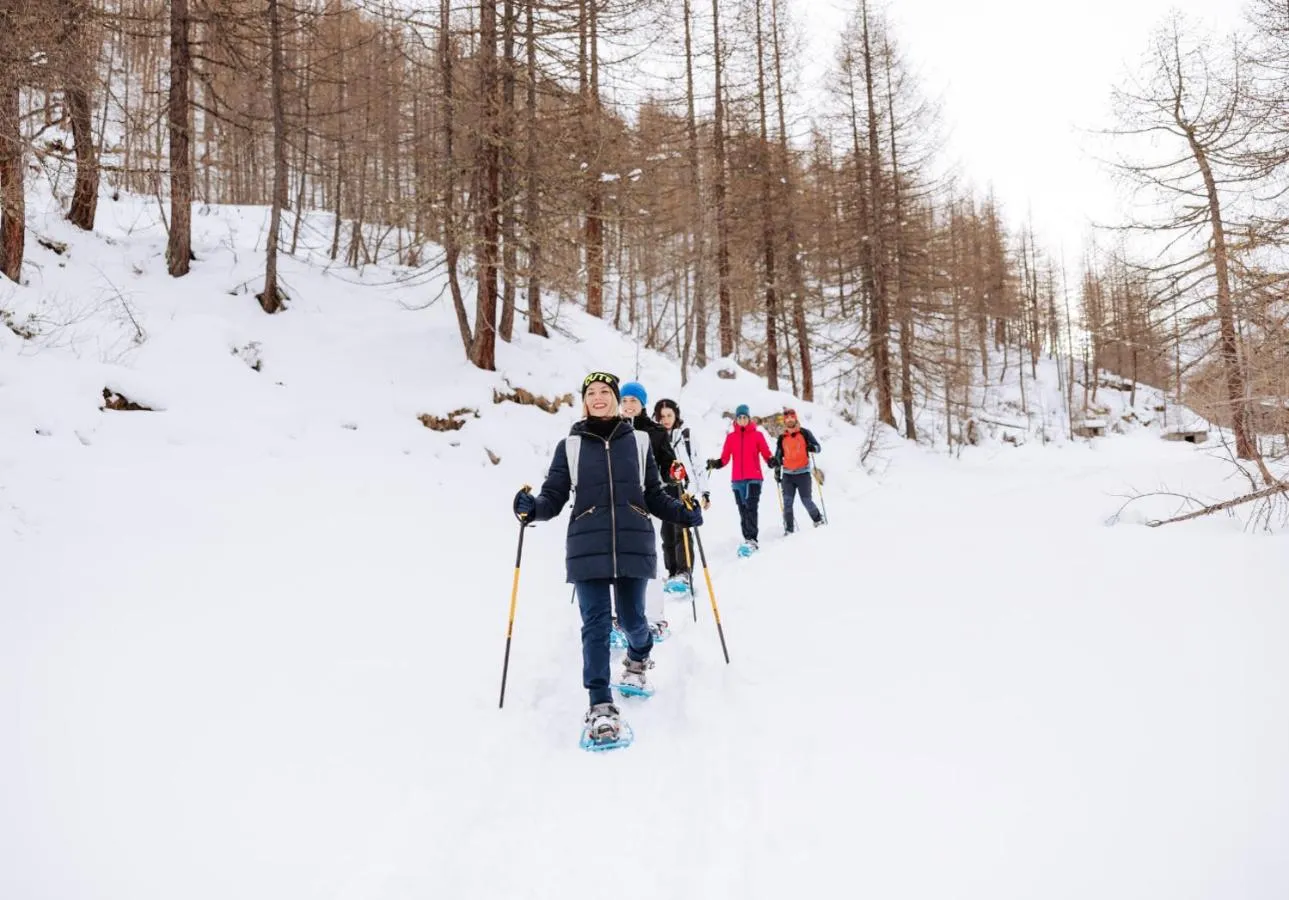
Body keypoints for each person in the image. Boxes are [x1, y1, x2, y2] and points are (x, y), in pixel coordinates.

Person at [512, 371, 701, 746]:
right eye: (591, 393)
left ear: (616, 398)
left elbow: (653, 494)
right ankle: (600, 703)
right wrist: (532, 510)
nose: (598, 398)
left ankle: (638, 655)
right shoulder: (570, 446)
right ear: (584, 401)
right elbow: (553, 495)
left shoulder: (641, 442)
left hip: (634, 541)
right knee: (596, 625)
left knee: (633, 620)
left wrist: (682, 511)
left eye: (605, 392)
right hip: (587, 545)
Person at [618, 381, 678, 637]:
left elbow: (668, 462)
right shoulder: (614, 429)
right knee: (618, 561)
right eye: (625, 400)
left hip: (648, 503)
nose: (629, 405)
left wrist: (673, 472)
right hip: (620, 503)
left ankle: (654, 618)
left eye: (634, 400)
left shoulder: (656, 432)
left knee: (647, 559)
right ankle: (619, 618)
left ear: (642, 403)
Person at [653, 398, 710, 593]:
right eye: (662, 417)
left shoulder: (685, 435)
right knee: (666, 534)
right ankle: (672, 572)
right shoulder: (654, 436)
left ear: (676, 415)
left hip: (684, 490)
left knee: (682, 531)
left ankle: (685, 573)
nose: (666, 420)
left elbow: (697, 463)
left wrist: (705, 491)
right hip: (662, 490)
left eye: (669, 415)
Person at [706, 404, 773, 554]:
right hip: (737, 480)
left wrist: (771, 461)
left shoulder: (757, 435)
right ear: (736, 420)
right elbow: (724, 459)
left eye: (745, 417)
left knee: (751, 507)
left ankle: (752, 540)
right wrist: (715, 463)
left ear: (749, 419)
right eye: (740, 417)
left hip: (754, 478)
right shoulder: (731, 438)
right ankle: (747, 539)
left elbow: (766, 453)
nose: (742, 420)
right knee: (743, 510)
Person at [770, 407, 824, 532]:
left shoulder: (805, 433)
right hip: (788, 476)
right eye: (787, 418)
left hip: (803, 474)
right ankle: (789, 529)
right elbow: (778, 457)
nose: (789, 420)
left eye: (791, 417)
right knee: (788, 503)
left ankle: (818, 520)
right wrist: (777, 472)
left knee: (806, 501)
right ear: (784, 421)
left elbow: (818, 448)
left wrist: (811, 447)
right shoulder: (782, 438)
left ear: (795, 418)